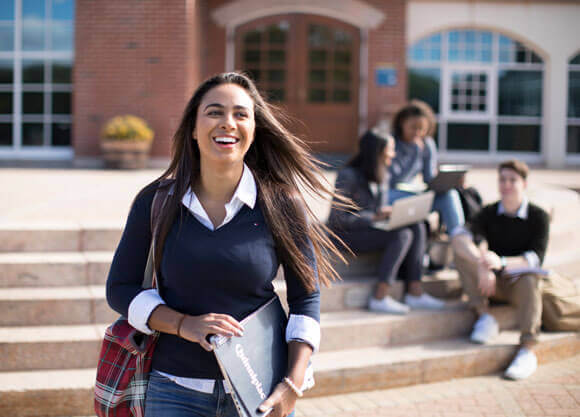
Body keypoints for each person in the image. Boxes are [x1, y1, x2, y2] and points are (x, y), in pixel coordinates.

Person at [106, 72, 350, 417]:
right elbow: (120, 288)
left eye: (240, 114)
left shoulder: (281, 202)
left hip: (260, 392)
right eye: (214, 112)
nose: (228, 123)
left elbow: (305, 297)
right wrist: (182, 324)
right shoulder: (155, 201)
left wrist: (293, 384)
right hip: (173, 389)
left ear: (254, 128)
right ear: (193, 128)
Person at [327, 128, 445, 314]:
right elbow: (337, 219)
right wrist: (373, 216)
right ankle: (380, 296)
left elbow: (376, 210)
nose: (393, 153)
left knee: (418, 226)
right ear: (377, 152)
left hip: (369, 228)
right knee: (402, 234)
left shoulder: (383, 174)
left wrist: (388, 213)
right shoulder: (348, 175)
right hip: (346, 235)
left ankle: (414, 291)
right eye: (390, 149)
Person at [451, 160, 550, 380]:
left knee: (531, 277)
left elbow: (535, 259)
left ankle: (527, 349)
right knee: (461, 251)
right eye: (502, 179)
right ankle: (484, 317)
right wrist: (482, 262)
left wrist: (502, 262)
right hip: (489, 283)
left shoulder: (538, 217)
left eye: (512, 180)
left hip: (519, 285)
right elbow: (460, 237)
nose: (506, 184)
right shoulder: (489, 212)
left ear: (524, 183)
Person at [388, 100, 466, 240]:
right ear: (402, 123)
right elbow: (394, 179)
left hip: (413, 193)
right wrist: (415, 153)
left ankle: (459, 238)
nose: (417, 132)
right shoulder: (391, 143)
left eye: (421, 128)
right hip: (392, 194)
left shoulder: (428, 143)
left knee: (450, 195)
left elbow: (428, 178)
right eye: (413, 127)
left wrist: (447, 182)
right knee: (403, 197)